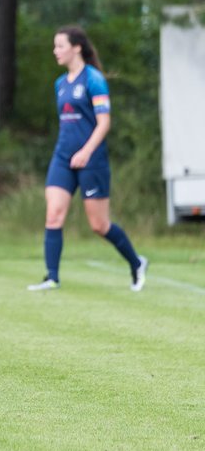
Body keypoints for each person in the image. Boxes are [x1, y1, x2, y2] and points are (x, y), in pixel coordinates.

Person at [27, 26, 148, 292]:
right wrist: (69, 152)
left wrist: (85, 151)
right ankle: (52, 277)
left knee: (99, 225)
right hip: (62, 158)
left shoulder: (93, 79)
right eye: (54, 46)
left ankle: (137, 262)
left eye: (60, 46)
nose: (55, 51)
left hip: (91, 160)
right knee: (54, 214)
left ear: (76, 47)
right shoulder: (60, 84)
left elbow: (104, 123)